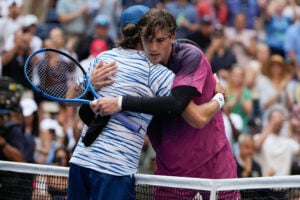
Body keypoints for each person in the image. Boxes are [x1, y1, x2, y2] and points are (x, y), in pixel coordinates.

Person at [91, 8, 238, 199]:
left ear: (172, 37)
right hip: (171, 168)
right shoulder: (134, 68)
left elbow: (197, 117)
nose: (153, 47)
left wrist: (120, 102)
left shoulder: (189, 57)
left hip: (213, 159)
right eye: (146, 39)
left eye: (159, 40)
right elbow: (82, 106)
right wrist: (90, 85)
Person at [67, 5, 175, 200]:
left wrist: (89, 83)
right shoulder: (156, 70)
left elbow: (68, 99)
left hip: (80, 163)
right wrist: (216, 93)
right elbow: (180, 104)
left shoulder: (103, 58)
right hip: (114, 170)